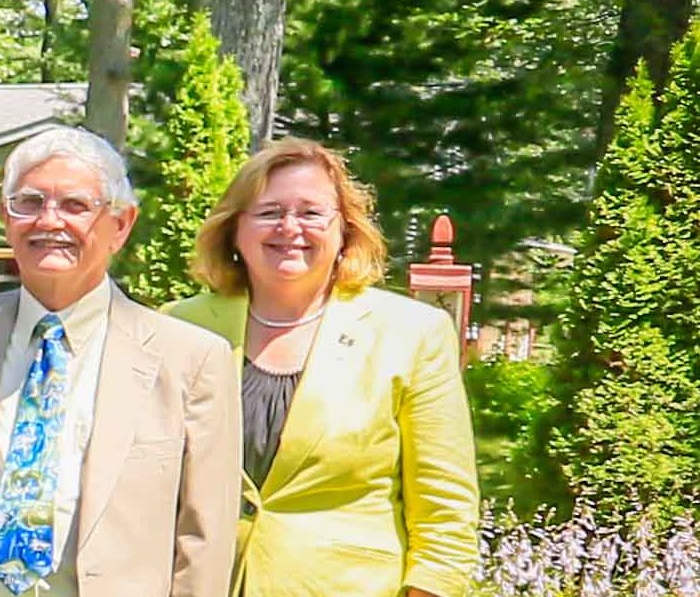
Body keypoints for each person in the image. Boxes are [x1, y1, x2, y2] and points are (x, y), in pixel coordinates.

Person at [0, 127, 241, 596]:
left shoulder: (190, 360)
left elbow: (205, 538)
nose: (49, 221)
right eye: (30, 203)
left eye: (75, 206)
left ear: (120, 225)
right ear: (5, 216)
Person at [157, 140, 478, 597]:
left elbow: (445, 510)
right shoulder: (178, 326)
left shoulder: (413, 333)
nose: (290, 228)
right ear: (234, 230)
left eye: (310, 213)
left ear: (345, 230)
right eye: (268, 212)